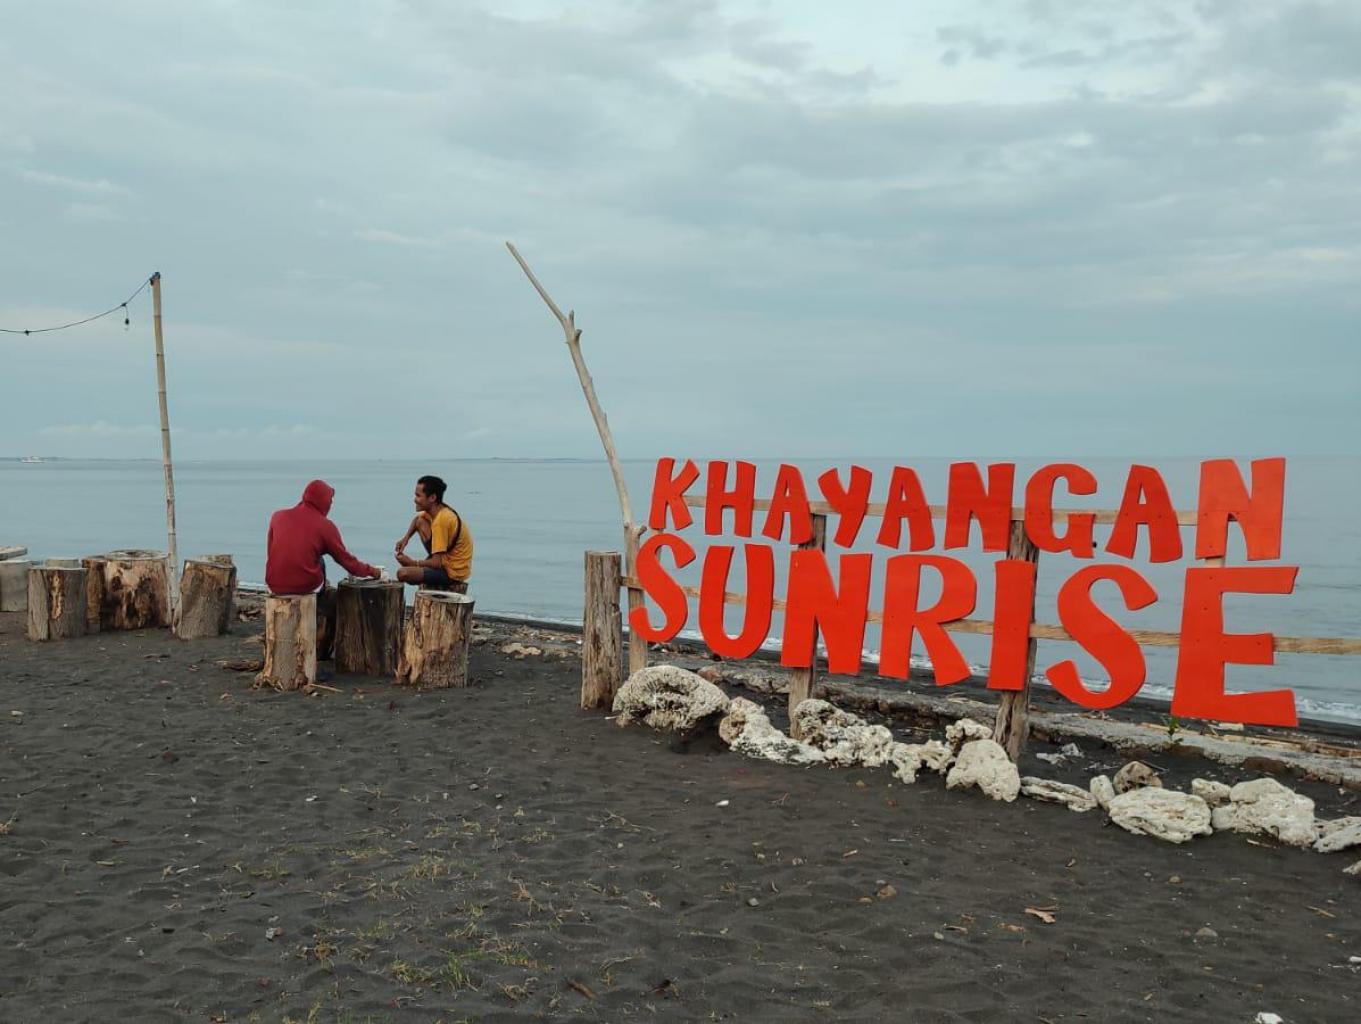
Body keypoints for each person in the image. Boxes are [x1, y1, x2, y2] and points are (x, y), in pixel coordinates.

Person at [266, 479, 381, 661]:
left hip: (273, 584)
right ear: (324, 501)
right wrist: (373, 571)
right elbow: (348, 562)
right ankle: (322, 645)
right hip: (305, 588)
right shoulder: (325, 526)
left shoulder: (277, 516)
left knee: (310, 555)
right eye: (330, 501)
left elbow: (271, 552)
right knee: (320, 563)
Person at [394, 475, 473, 593]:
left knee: (402, 573)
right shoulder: (438, 510)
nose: (415, 500)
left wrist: (413, 563)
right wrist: (406, 538)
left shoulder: (441, 521)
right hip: (444, 559)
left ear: (432, 498)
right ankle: (423, 570)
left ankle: (425, 574)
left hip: (452, 572)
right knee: (421, 521)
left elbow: (436, 563)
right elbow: (417, 521)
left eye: (418, 496)